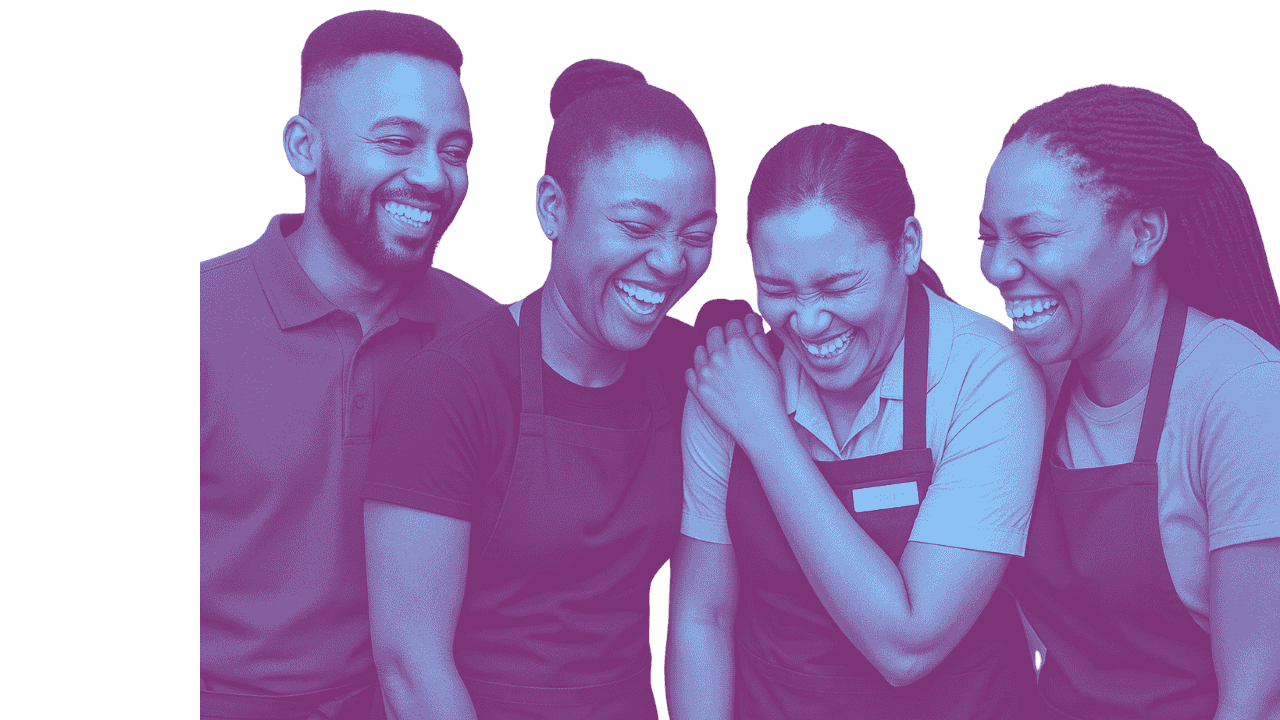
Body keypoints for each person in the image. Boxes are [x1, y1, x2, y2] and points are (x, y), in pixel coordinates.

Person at [361, 58, 717, 719]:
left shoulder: (689, 366)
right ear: (553, 209)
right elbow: (410, 665)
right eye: (637, 228)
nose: (670, 263)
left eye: (695, 236)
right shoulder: (450, 389)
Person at [668, 123, 1044, 719]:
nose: (809, 323)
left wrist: (767, 430)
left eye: (839, 286)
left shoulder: (985, 373)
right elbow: (702, 616)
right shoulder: (730, 376)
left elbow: (908, 645)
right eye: (777, 288)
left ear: (908, 247)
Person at [199, 11, 497, 719]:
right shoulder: (193, 319)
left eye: (454, 150)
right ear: (304, 146)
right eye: (397, 141)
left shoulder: (484, 335)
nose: (432, 176)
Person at [981, 84, 1280, 720]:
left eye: (1032, 238)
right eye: (989, 236)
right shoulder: (1031, 379)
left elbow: (1255, 700)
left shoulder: (1243, 395)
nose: (998, 268)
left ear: (1142, 234)